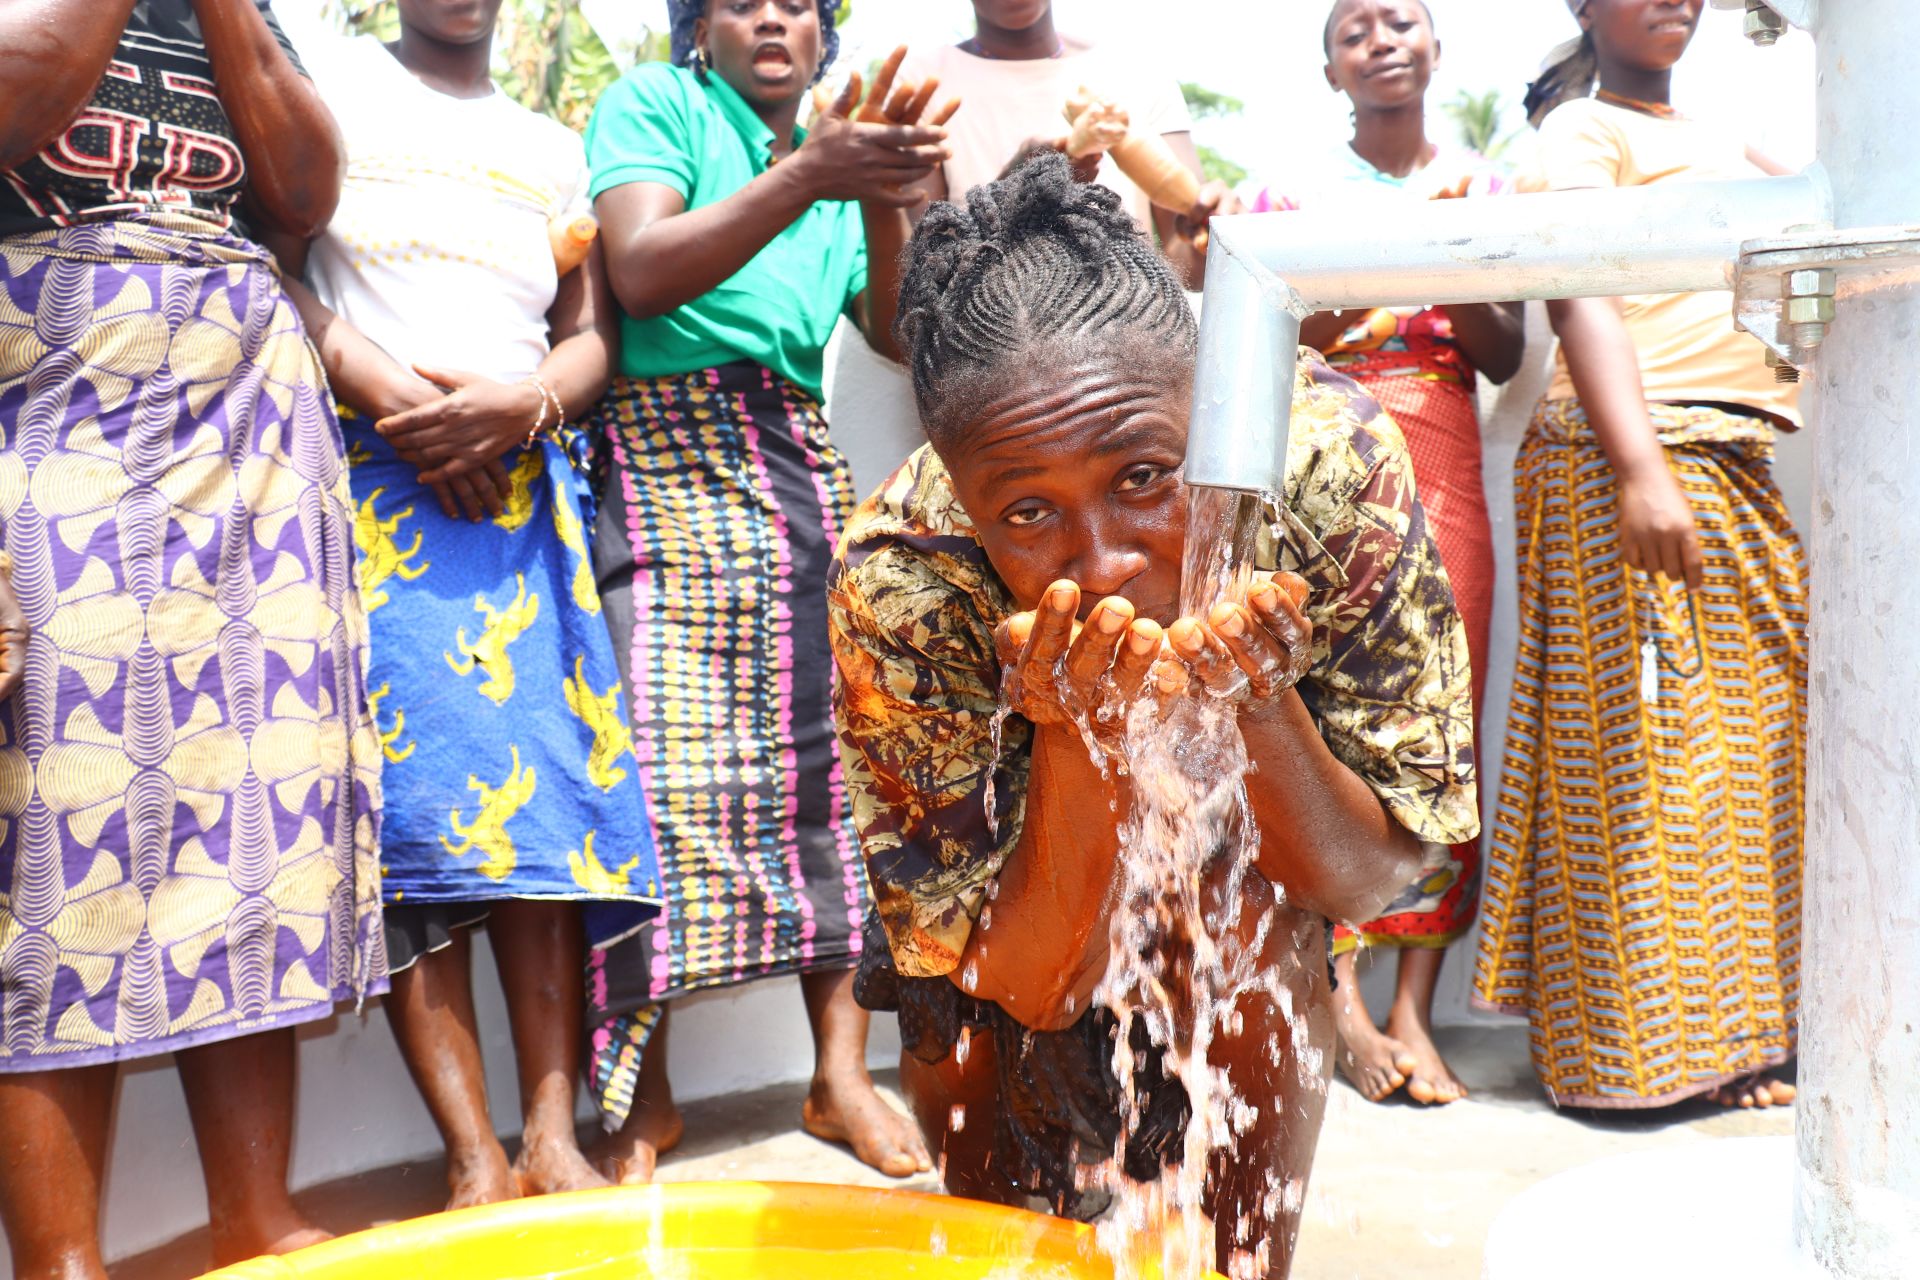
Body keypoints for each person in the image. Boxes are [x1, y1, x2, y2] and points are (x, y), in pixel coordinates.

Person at [829, 153, 1478, 1277]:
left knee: (1245, 911)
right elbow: (1017, 978)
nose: (1105, 564)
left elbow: (1373, 881)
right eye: (1027, 513)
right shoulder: (907, 578)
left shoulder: (1322, 468)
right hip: (1011, 926)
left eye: (1144, 476)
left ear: (1207, 412)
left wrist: (1256, 706)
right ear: (963, 496)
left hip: (1255, 894)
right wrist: (1074, 735)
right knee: (980, 1068)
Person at [0, 2, 384, 1275]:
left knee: (251, 819)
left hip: (248, 448)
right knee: (58, 838)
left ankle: (256, 1219)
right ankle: (62, 1258)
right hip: (53, 419)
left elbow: (304, 195)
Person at [267, 0, 661, 1209]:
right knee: (415, 825)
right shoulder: (324, 85)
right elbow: (274, 272)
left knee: (541, 810)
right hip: (379, 494)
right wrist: (398, 398)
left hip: (519, 501)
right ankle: (472, 1156)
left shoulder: (550, 143)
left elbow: (588, 337)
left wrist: (521, 407)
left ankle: (550, 1136)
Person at [576, 0, 953, 1182]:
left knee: (832, 776)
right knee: (656, 776)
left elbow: (897, 332)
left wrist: (884, 195)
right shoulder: (655, 104)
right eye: (744, 1)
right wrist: (816, 174)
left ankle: (839, 1075)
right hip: (661, 456)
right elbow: (640, 272)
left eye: (800, 3)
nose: (776, 19)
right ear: (700, 26)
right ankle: (644, 1092)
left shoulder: (836, 153)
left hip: (794, 459)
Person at [1473, 0, 1805, 1111]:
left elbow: (1844, 203)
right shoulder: (1582, 127)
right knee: (1639, 761)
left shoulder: (1720, 140)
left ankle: (1738, 1036)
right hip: (1631, 453)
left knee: (1746, 756)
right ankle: (1629, 1060)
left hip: (1732, 452)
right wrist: (1639, 468)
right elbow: (1581, 291)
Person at [1247, 0, 1525, 1107]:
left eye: (1401, 21)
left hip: (1444, 449)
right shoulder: (1288, 197)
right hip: (1326, 456)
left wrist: (1446, 251)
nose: (1382, 42)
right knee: (1329, 717)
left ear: (1436, 51)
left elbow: (1501, 350)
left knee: (1443, 723)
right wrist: (1359, 274)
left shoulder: (1483, 190)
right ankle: (1346, 1004)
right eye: (1355, 31)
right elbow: (1271, 339)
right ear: (1332, 71)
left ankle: (1416, 1006)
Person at [898, 0, 1225, 288]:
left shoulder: (1138, 71)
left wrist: (1213, 234)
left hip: (1136, 332)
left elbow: (1190, 265)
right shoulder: (922, 82)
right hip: (994, 334)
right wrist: (1018, 192)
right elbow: (926, 280)